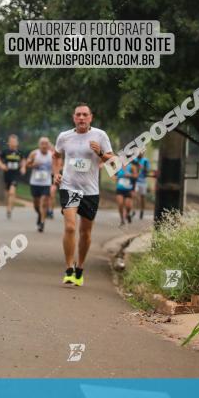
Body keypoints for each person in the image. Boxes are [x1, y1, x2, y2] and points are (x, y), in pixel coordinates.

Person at [53, 103, 114, 287]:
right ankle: (69, 269)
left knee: (85, 233)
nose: (81, 118)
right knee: (70, 227)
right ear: (74, 117)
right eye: (78, 115)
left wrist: (100, 152)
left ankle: (80, 267)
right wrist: (56, 173)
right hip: (69, 187)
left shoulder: (100, 135)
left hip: (90, 190)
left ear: (90, 117)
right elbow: (56, 155)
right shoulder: (64, 136)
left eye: (84, 115)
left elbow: (114, 162)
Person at [26, 137, 54, 232]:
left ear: (48, 145)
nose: (44, 146)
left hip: (46, 182)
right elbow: (27, 164)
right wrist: (33, 165)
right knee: (36, 205)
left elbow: (58, 165)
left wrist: (55, 171)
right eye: (42, 143)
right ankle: (40, 215)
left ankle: (42, 222)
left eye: (46, 143)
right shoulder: (34, 154)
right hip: (35, 182)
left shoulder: (52, 155)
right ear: (39, 145)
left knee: (44, 202)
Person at [0, 134, 26, 219]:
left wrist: (23, 167)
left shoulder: (20, 152)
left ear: (17, 143)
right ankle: (10, 204)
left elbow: (24, 160)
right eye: (11, 141)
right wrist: (1, 165)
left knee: (11, 192)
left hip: (15, 174)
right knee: (7, 193)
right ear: (8, 143)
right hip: (7, 174)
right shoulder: (5, 151)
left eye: (14, 141)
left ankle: (9, 210)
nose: (13, 143)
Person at [115, 162, 139, 227]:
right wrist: (116, 178)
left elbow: (136, 176)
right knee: (120, 204)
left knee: (128, 206)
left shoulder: (132, 167)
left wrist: (130, 175)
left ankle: (127, 214)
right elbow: (114, 176)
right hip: (120, 189)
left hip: (129, 189)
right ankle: (122, 220)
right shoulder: (118, 167)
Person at [133, 151, 151, 219]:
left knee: (142, 197)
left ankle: (142, 211)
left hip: (143, 181)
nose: (139, 153)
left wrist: (142, 167)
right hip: (135, 181)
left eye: (141, 152)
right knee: (134, 195)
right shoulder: (134, 160)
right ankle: (133, 210)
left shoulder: (146, 161)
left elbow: (147, 171)